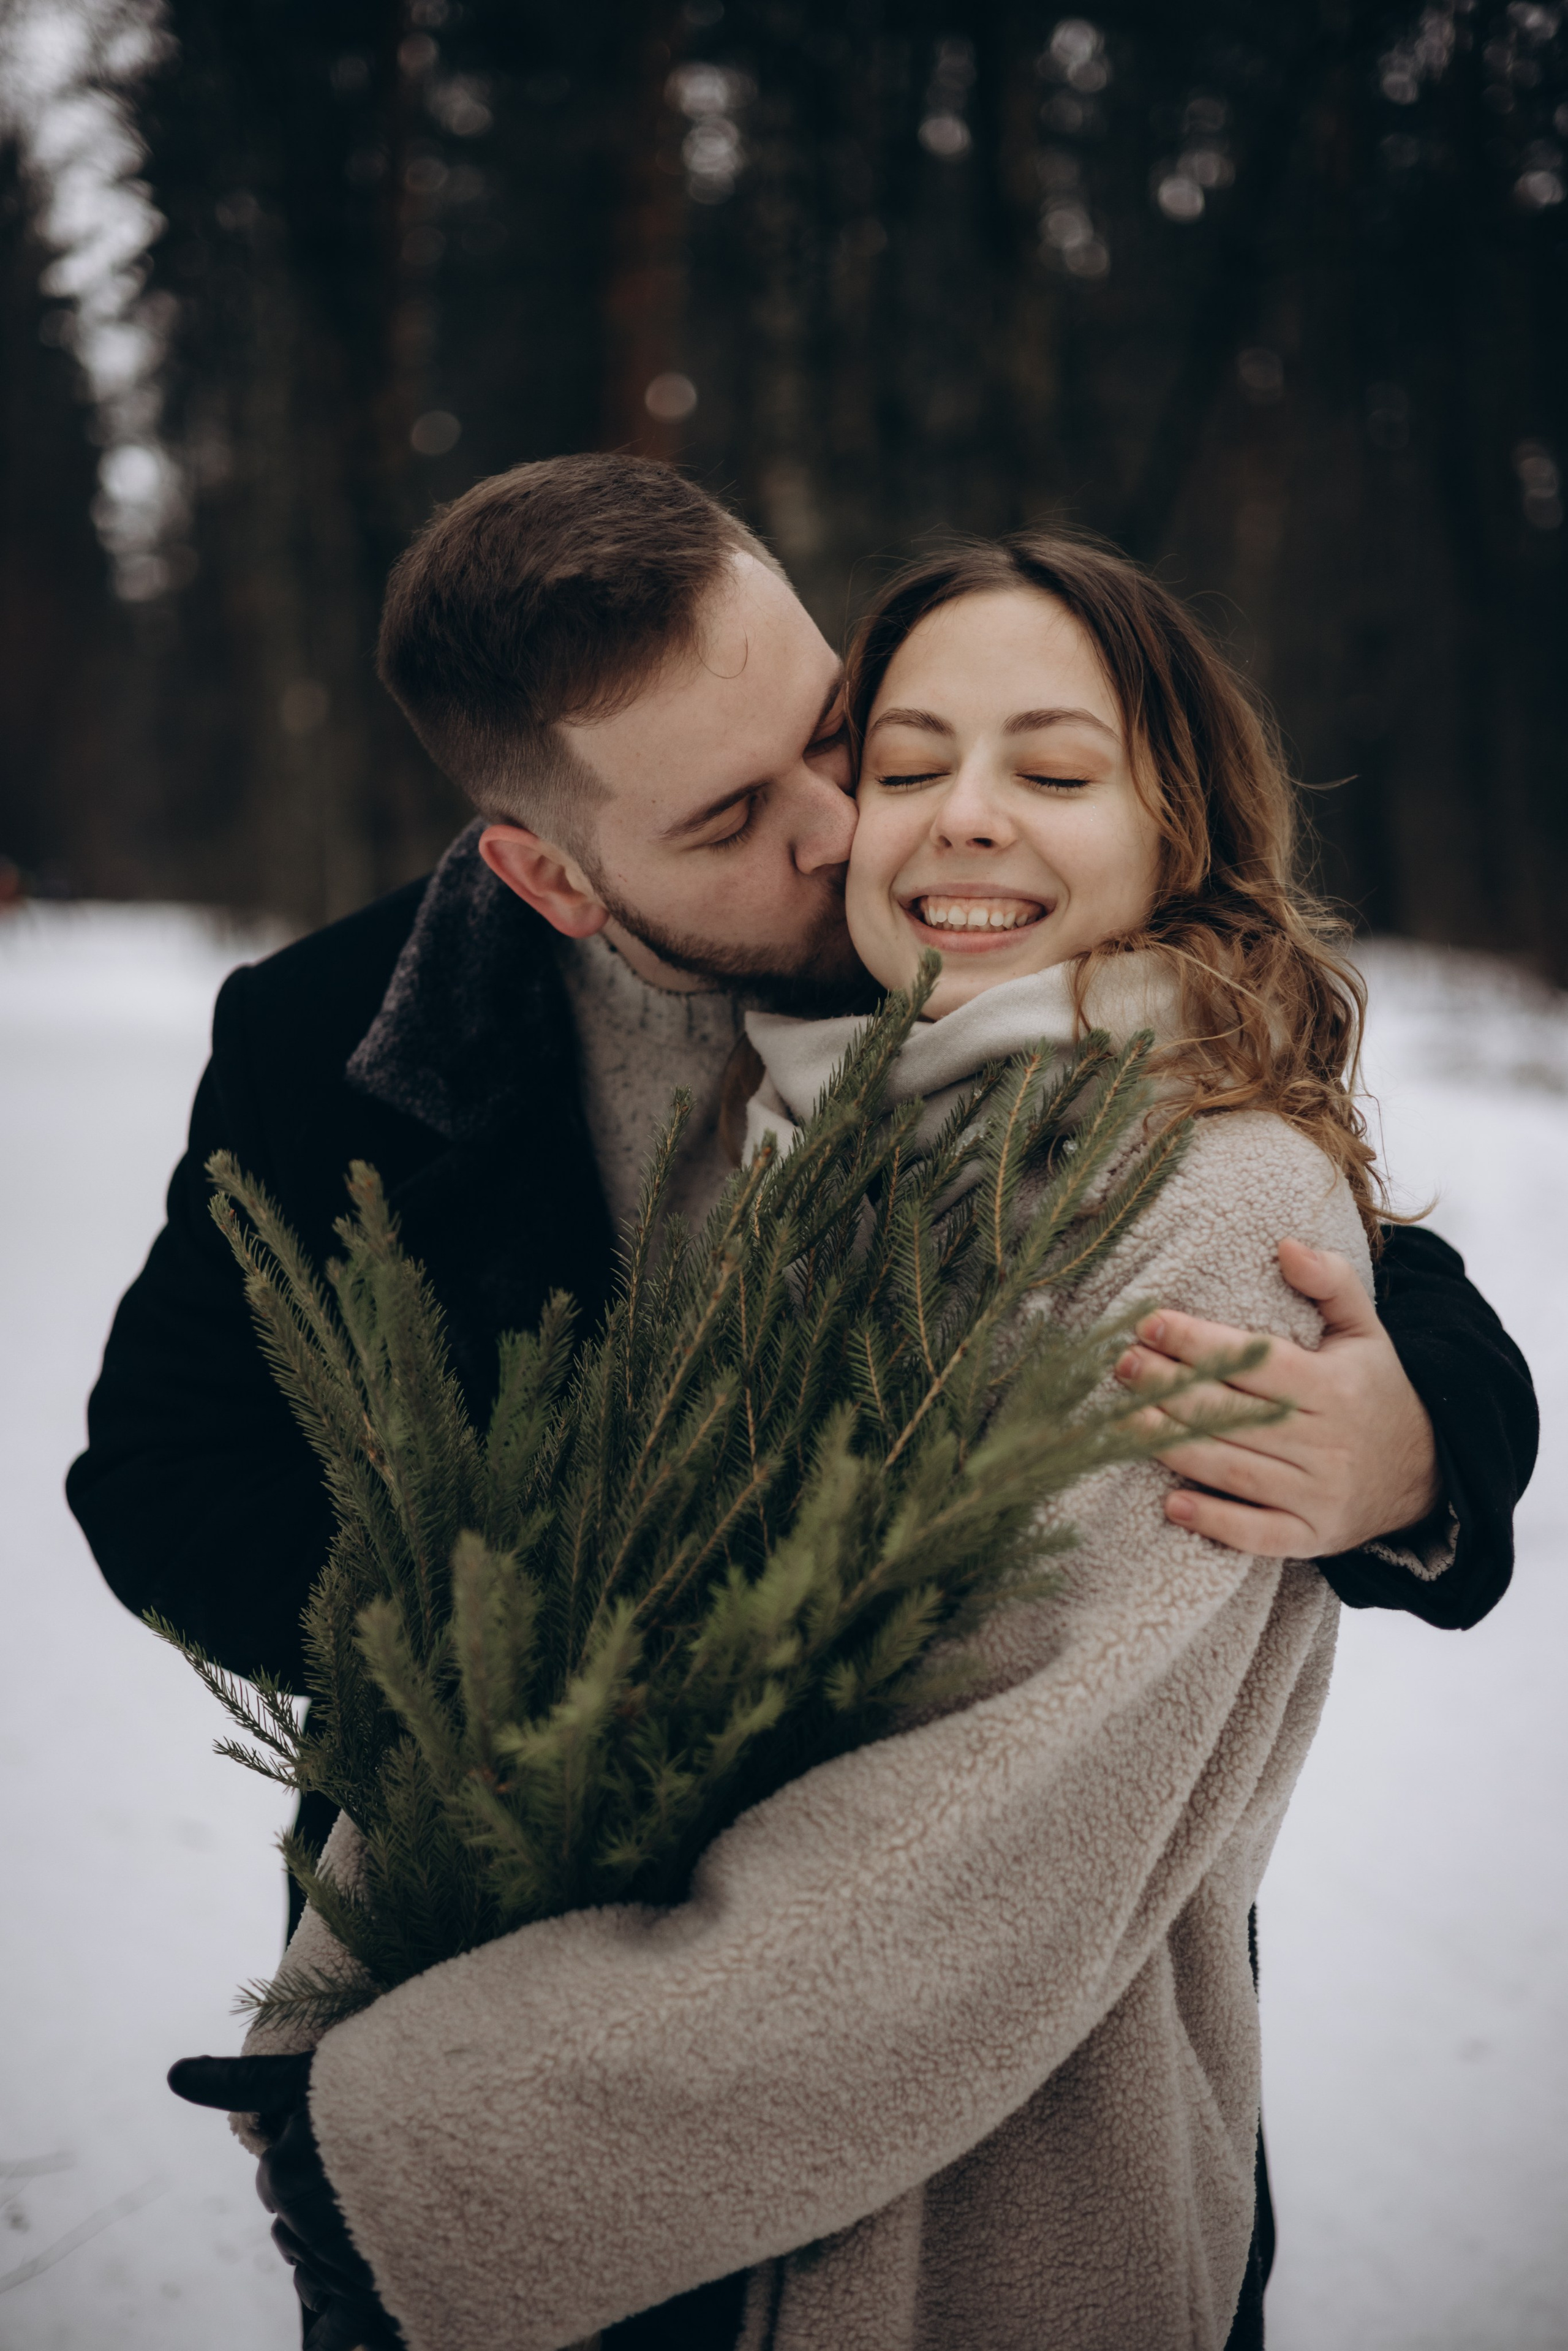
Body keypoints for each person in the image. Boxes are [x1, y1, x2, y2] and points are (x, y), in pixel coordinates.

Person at [69, 458, 1535, 2347]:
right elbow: (165, 1480)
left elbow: (1284, 1223)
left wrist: (1429, 1440)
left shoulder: (992, 922)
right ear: (552, 872)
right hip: (498, 1991)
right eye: (740, 813)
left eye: (840, 729)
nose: (855, 822)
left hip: (964, 2107)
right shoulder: (342, 1042)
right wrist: (553, 1653)